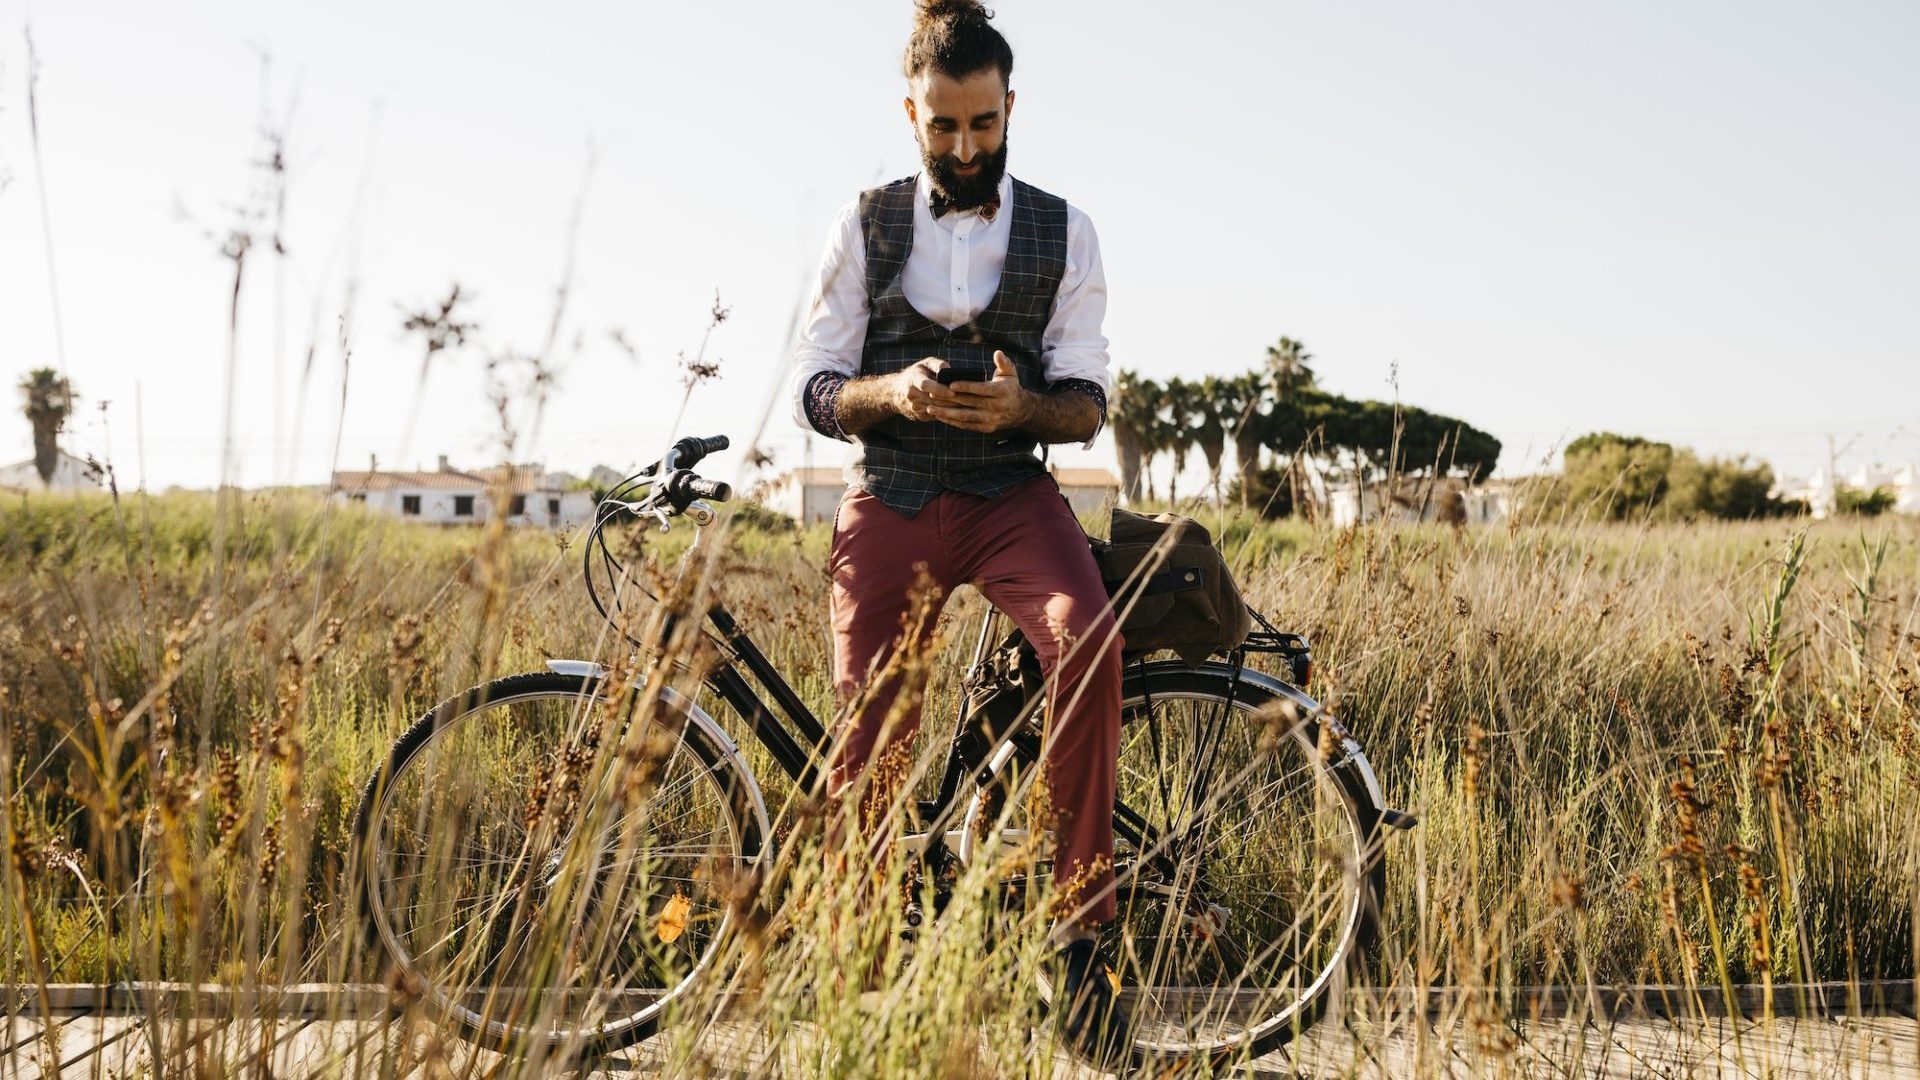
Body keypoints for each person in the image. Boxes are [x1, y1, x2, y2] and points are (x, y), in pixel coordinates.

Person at [786, 0, 1132, 1062]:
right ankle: (871, 979)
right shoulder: (863, 220)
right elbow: (814, 390)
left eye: (983, 124)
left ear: (1010, 107)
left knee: (1089, 643)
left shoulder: (1065, 228)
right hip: (889, 493)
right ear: (912, 113)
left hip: (1010, 497)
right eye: (943, 126)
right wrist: (895, 393)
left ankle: (1081, 937)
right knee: (868, 740)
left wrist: (1021, 408)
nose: (965, 147)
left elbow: (1088, 402)